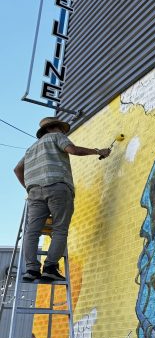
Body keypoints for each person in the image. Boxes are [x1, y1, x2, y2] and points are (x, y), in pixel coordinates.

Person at [13, 117, 111, 282]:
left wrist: (30, 188)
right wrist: (98, 151)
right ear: (55, 127)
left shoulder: (31, 149)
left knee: (32, 231)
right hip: (57, 187)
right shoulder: (56, 136)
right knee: (59, 229)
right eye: (62, 129)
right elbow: (73, 150)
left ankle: (32, 269)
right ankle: (50, 267)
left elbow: (17, 170)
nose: (64, 132)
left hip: (34, 193)